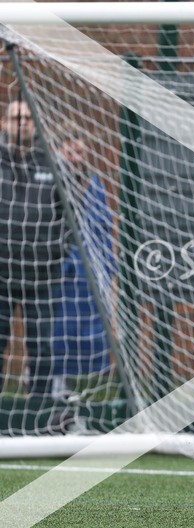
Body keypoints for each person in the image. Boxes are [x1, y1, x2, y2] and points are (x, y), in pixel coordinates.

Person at [0, 99, 64, 396]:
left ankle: (39, 411)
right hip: (2, 275)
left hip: (42, 276)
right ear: (5, 124)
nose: (22, 121)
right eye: (16, 117)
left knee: (41, 346)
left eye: (27, 116)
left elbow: (69, 217)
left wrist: (57, 251)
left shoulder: (51, 163)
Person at [50, 132, 115, 400]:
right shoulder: (49, 181)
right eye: (70, 152)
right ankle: (52, 385)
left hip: (90, 270)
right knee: (56, 330)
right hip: (58, 269)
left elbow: (103, 227)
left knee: (91, 330)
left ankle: (88, 392)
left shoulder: (94, 184)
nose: (75, 158)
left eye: (79, 153)